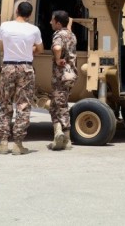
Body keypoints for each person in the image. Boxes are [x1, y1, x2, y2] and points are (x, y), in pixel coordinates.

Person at [0, 1, 43, 155]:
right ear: (29, 14)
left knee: (5, 104)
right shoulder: (34, 29)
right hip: (26, 68)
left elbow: (1, 47)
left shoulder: (5, 26)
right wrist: (28, 49)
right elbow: (40, 49)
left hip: (8, 67)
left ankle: (3, 143)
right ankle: (18, 144)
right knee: (23, 105)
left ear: (16, 11)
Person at [47, 10, 78, 151]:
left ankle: (66, 139)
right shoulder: (71, 35)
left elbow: (58, 47)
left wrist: (58, 58)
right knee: (55, 105)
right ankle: (57, 133)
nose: (50, 22)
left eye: (52, 20)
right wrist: (68, 21)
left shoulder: (58, 35)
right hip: (70, 75)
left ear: (58, 23)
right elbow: (68, 28)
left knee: (61, 106)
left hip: (61, 76)